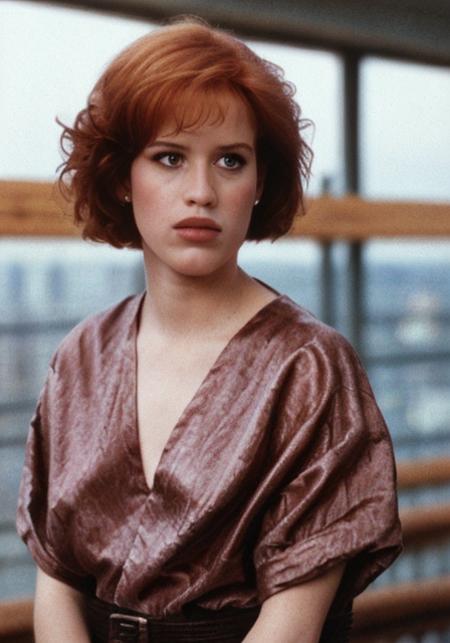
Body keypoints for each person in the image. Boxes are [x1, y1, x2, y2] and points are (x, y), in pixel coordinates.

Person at [16, 17, 402, 643]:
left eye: (230, 160)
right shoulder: (80, 356)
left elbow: (292, 628)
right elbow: (56, 576)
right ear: (121, 177)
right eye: (169, 158)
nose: (201, 191)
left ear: (259, 184)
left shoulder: (309, 365)